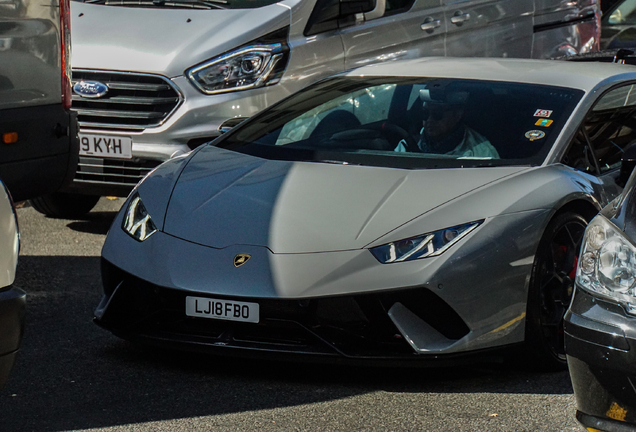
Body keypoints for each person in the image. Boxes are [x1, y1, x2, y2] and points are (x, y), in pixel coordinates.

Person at [395, 90, 499, 158]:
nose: (430, 120)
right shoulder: (407, 146)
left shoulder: (482, 153)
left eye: (437, 114)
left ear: (458, 115)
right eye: (425, 113)